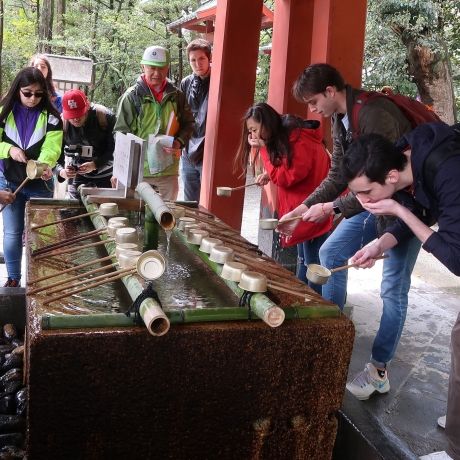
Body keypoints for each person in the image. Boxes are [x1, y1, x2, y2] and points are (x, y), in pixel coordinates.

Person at [278, 63, 422, 400]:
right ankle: (331, 332)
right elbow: (341, 176)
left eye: (313, 102)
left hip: (407, 208)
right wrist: (303, 207)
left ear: (330, 92)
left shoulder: (374, 114)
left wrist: (332, 208)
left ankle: (378, 370)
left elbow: (379, 182)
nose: (312, 110)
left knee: (392, 289)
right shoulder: (338, 119)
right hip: (371, 203)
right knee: (330, 253)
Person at [341, 124, 460, 460]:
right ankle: (458, 422)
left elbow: (455, 259)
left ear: (391, 176)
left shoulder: (448, 169)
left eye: (367, 193)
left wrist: (398, 210)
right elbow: (424, 209)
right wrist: (380, 243)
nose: (363, 203)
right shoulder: (408, 154)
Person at [235, 103, 332, 294]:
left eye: (254, 130)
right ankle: (304, 301)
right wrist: (269, 174)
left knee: (314, 265)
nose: (252, 135)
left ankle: (315, 307)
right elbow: (288, 168)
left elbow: (286, 178)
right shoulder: (290, 135)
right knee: (304, 260)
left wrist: (263, 150)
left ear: (266, 124)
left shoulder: (300, 141)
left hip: (311, 209)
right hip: (304, 208)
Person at [0, 67, 63, 287]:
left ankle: (39, 280)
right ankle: (14, 278)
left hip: (39, 184)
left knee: (41, 235)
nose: (33, 99)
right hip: (8, 182)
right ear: (18, 90)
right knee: (12, 232)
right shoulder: (3, 112)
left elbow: (52, 149)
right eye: (27, 93)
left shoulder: (53, 118)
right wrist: (8, 149)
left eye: (38, 94)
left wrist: (43, 165)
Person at [114, 45, 194, 201]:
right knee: (136, 217)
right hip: (138, 171)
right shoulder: (131, 97)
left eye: (161, 68)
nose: (157, 73)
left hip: (168, 170)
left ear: (167, 68)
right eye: (151, 68)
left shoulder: (177, 96)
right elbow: (120, 134)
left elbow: (189, 123)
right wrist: (118, 171)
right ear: (143, 66)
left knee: (167, 217)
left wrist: (179, 142)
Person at [54, 89, 115, 199]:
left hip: (106, 177)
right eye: (72, 115)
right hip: (77, 177)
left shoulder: (105, 117)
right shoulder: (62, 123)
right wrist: (61, 171)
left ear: (87, 107)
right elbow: (54, 153)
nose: (76, 119)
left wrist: (95, 164)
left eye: (79, 114)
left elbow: (115, 150)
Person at [179, 38, 212, 202]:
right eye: (193, 60)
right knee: (189, 202)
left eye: (201, 58)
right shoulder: (186, 83)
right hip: (188, 150)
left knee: (209, 202)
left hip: (209, 150)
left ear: (209, 58)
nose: (197, 63)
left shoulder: (217, 80)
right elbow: (180, 115)